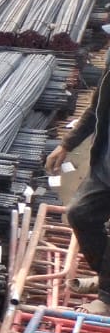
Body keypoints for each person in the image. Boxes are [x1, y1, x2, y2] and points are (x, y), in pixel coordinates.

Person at [47, 52, 110, 314]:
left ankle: (107, 298)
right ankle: (105, 275)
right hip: (106, 165)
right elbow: (98, 108)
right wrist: (67, 143)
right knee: (79, 214)